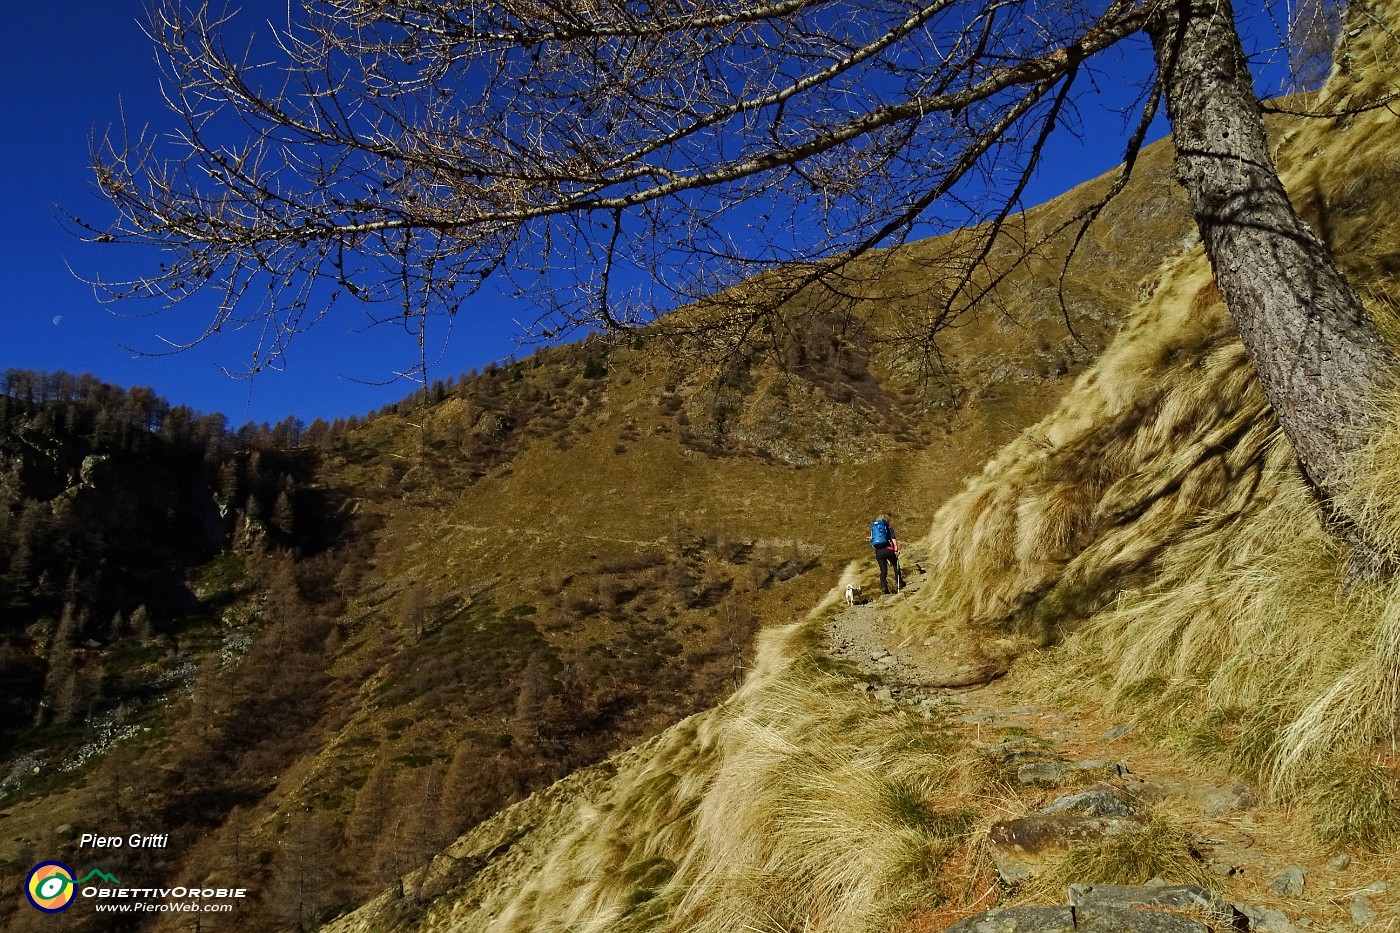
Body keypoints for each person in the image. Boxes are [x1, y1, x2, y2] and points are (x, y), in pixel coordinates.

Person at [871, 514, 902, 594]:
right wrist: (896, 548)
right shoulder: (888, 527)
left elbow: (872, 541)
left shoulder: (874, 528)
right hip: (888, 550)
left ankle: (884, 587)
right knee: (895, 564)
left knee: (883, 571)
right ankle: (900, 583)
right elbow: (893, 538)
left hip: (879, 552)